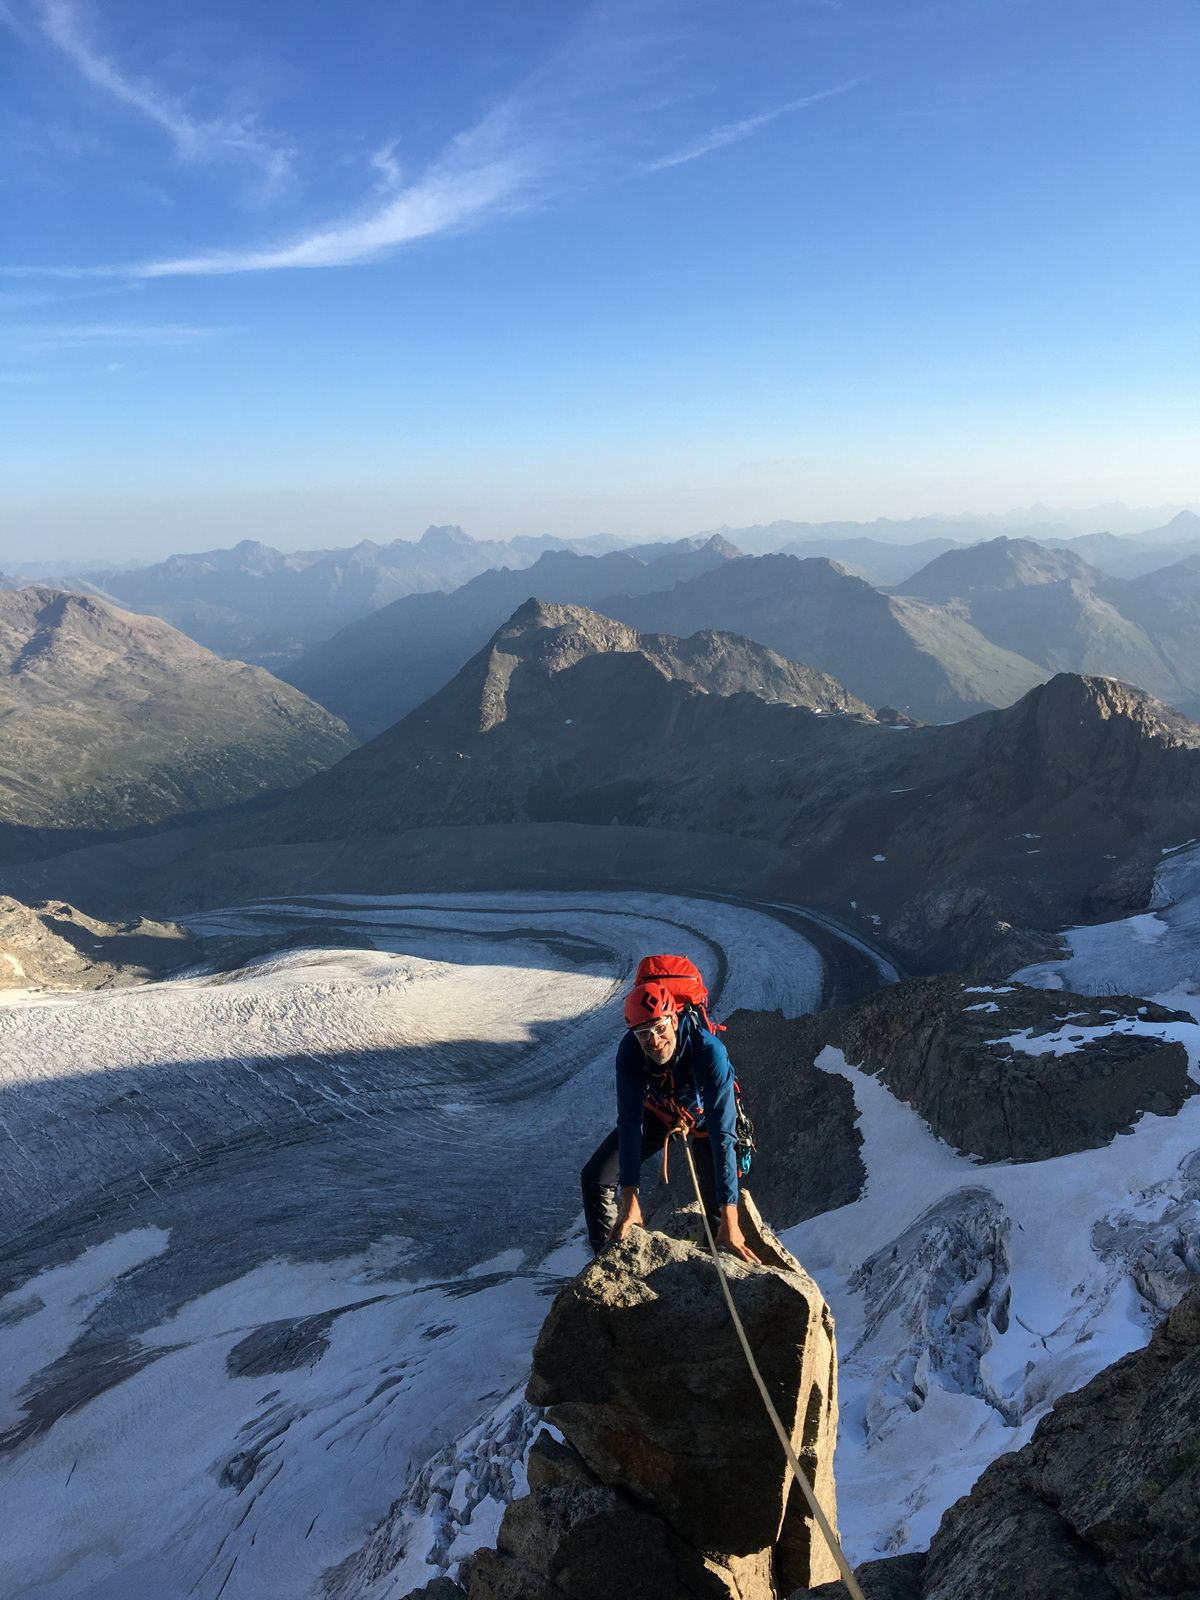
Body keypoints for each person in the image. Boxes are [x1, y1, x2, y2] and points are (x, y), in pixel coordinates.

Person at [580, 978, 760, 1263]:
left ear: (674, 1020)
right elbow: (629, 1122)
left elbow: (723, 1134)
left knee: (719, 1217)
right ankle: (611, 1263)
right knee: (595, 1177)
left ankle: (719, 1260)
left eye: (659, 1028)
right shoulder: (630, 1052)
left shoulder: (708, 1051)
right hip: (660, 1111)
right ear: (634, 1035)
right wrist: (629, 1197)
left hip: (705, 1119)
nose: (654, 1041)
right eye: (643, 1034)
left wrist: (731, 1215)